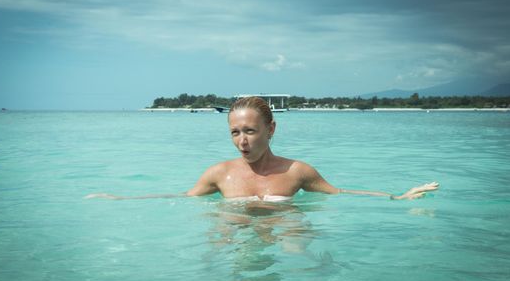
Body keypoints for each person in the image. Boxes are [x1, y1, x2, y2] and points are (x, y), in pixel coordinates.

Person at [86, 96, 438, 201]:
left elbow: (340, 192)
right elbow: (182, 197)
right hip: (234, 231)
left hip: (285, 228)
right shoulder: (219, 174)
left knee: (298, 250)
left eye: (251, 131)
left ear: (271, 129)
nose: (242, 141)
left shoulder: (297, 172)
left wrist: (397, 198)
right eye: (235, 132)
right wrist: (119, 200)